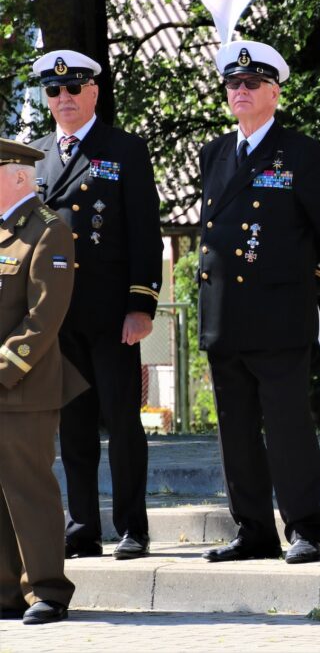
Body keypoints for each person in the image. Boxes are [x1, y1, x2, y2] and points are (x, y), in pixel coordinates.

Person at [196, 40, 320, 565]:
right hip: (224, 314)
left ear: (274, 92)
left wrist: (309, 282)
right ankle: (253, 529)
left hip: (278, 313)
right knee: (235, 430)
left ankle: (303, 527)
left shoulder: (299, 152)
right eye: (233, 83)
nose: (240, 90)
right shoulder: (214, 152)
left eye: (252, 83)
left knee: (287, 428)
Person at [29, 50, 163, 561]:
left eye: (73, 88)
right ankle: (82, 526)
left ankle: (132, 528)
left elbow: (144, 233)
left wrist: (141, 305)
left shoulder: (123, 149)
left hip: (111, 314)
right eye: (53, 90)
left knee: (123, 423)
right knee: (74, 426)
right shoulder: (34, 156)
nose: (63, 98)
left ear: (93, 92)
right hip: (56, 315)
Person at [0, 139, 78, 624]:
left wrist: (4, 368)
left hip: (23, 387)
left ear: (16, 176)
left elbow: (44, 317)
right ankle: (7, 591)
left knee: (29, 490)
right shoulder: (4, 232)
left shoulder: (49, 231)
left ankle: (47, 588)